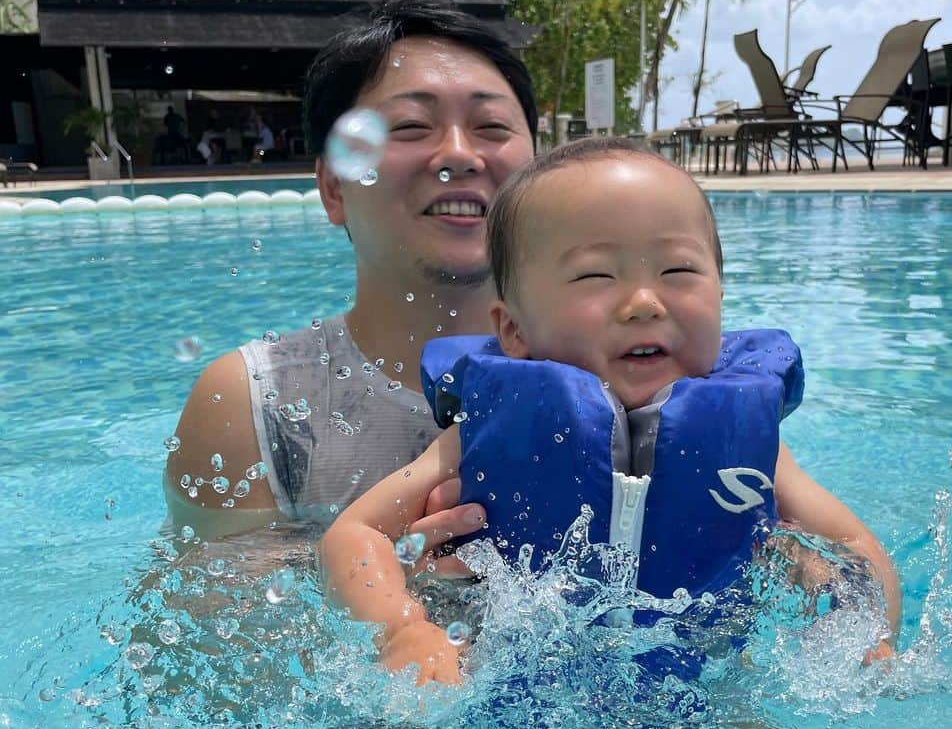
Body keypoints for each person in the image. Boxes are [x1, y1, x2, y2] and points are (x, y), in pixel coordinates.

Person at [320, 138, 901, 686]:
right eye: (597, 275)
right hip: (521, 694)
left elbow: (856, 545)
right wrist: (403, 629)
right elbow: (354, 533)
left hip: (714, 692)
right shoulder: (479, 436)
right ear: (514, 330)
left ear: (721, 296)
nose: (644, 303)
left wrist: (862, 634)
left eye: (678, 271)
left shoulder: (755, 445)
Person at [165, 0, 538, 546]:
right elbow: (217, 625)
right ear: (333, 187)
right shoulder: (257, 406)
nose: (460, 154)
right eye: (411, 126)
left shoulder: (619, 361)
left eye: (492, 128)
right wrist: (389, 594)